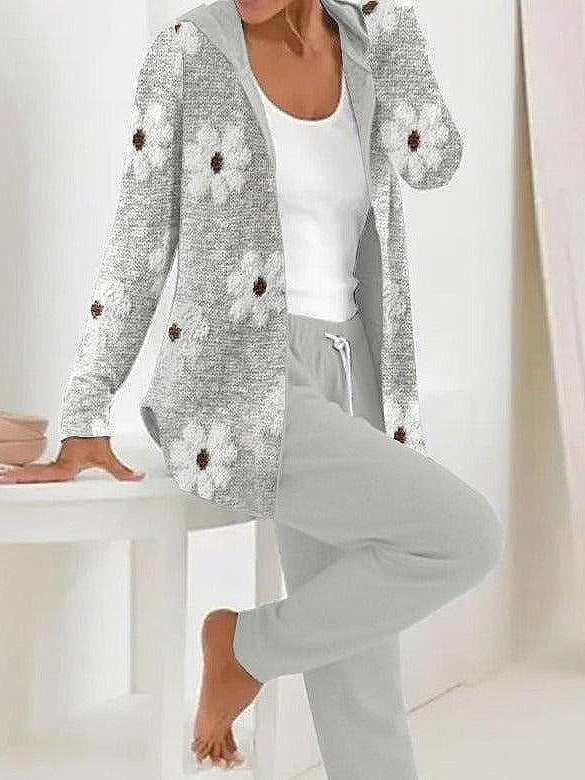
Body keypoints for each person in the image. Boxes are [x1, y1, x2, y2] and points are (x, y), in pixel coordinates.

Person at [0, 0, 504, 775]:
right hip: (237, 381)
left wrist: (388, 17)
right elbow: (139, 238)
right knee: (463, 534)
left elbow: (432, 160)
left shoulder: (364, 40)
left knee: (359, 673)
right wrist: (84, 412)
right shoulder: (187, 52)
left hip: (353, 364)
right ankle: (242, 648)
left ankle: (245, 650)